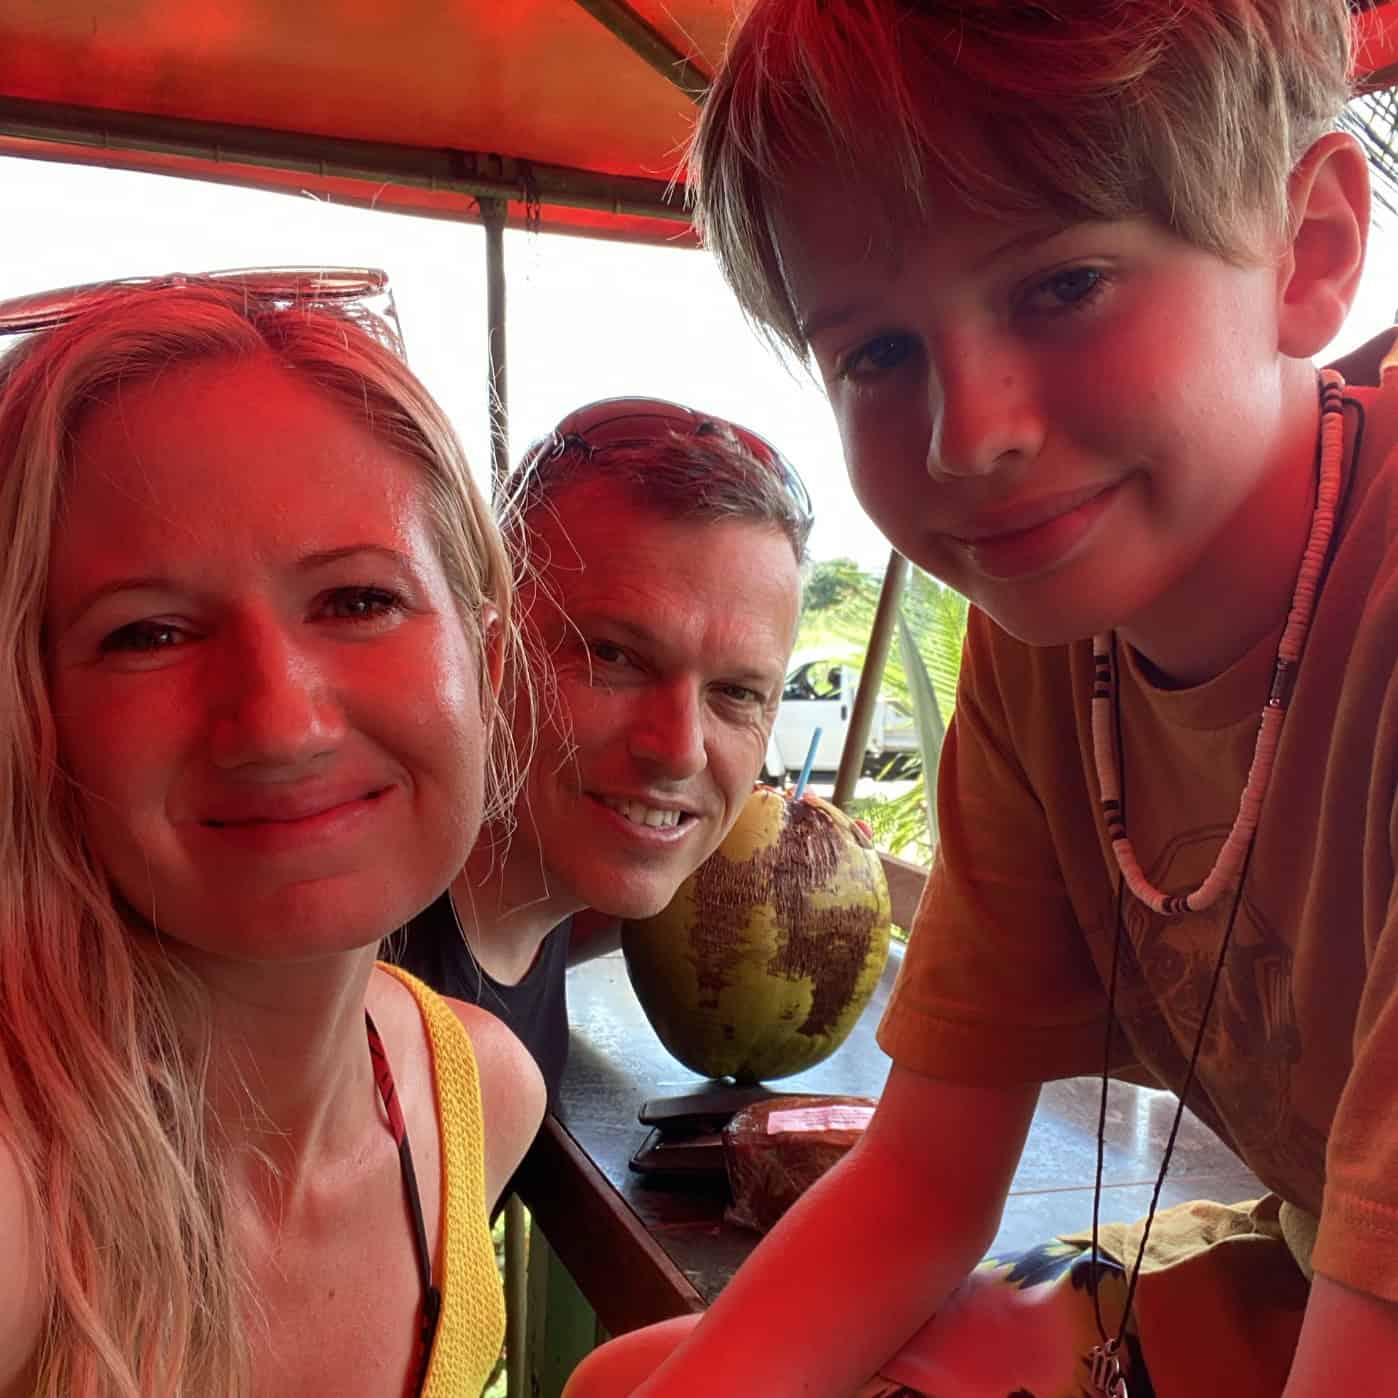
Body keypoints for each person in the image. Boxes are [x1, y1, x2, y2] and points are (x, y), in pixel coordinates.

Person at [563, 2, 1398, 1395]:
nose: (971, 436)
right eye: (876, 354)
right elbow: (921, 1181)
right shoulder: (1052, 631)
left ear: (1304, 247)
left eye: (1061, 284)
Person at [0, 272, 545, 1398]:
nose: (280, 724)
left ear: (484, 672)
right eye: (146, 632)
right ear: (33, 716)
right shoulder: (23, 1198)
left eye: (357, 600)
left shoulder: (477, 1099)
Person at [390, 398, 810, 1106]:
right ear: (484, 646)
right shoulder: (357, 988)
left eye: (736, 693)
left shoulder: (540, 888)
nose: (678, 753)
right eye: (612, 656)